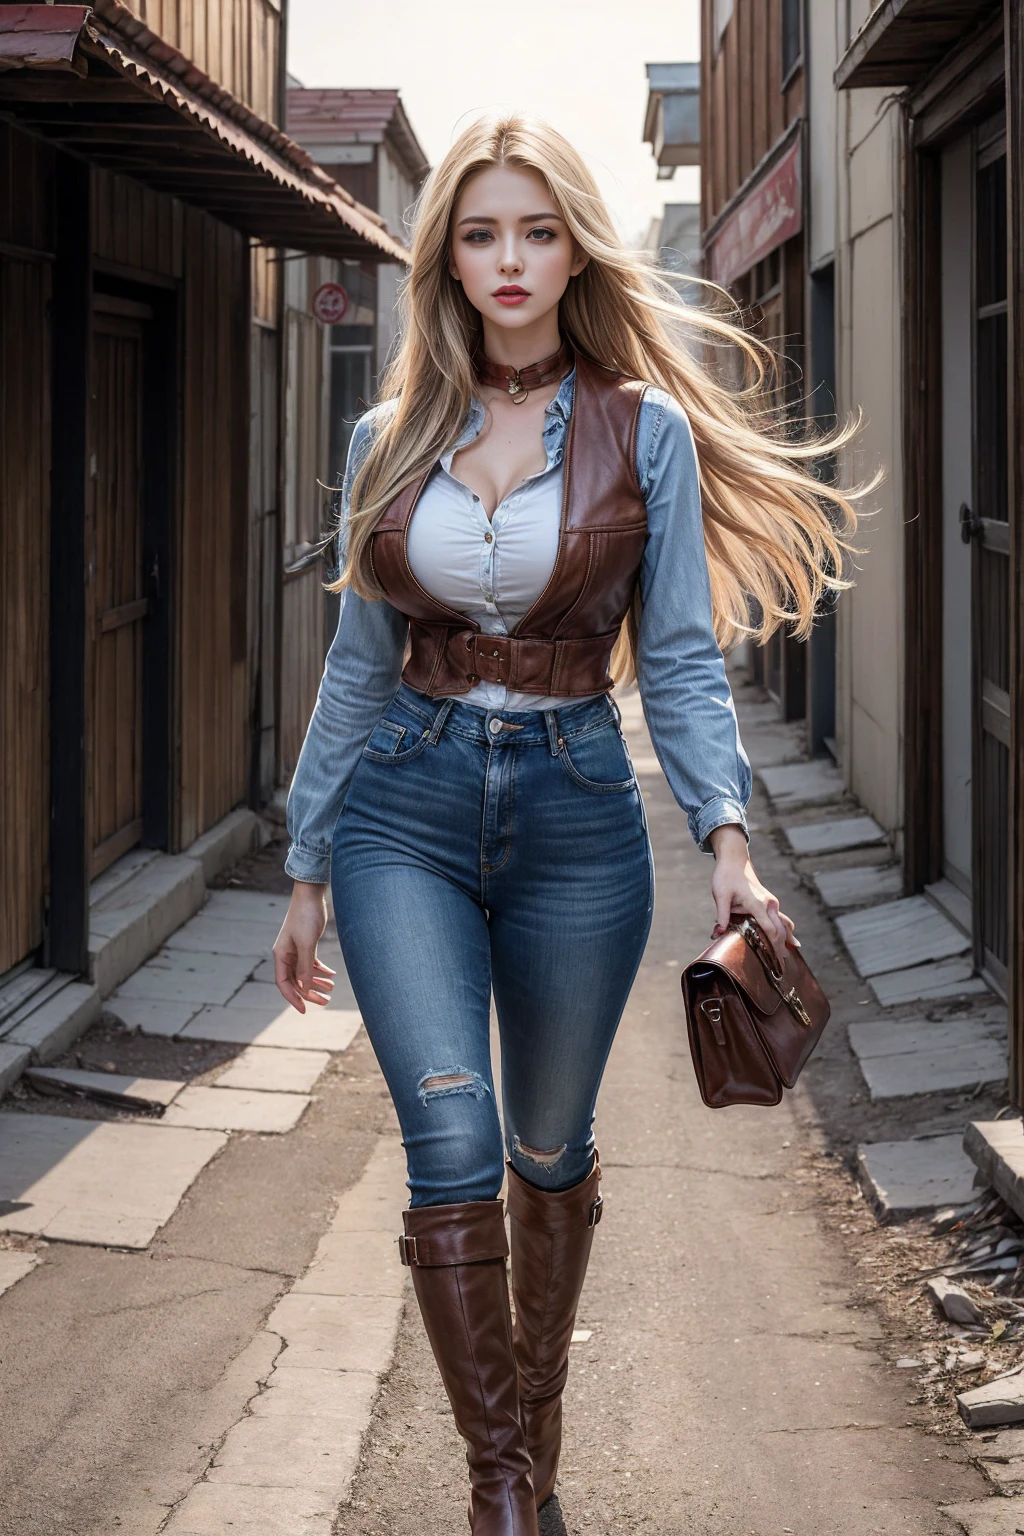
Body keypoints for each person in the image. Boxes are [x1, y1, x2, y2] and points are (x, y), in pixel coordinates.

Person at [273, 114, 858, 1536]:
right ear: (447, 259)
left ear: (574, 245)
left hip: (578, 811)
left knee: (548, 1143)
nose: (510, 260)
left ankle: (534, 1423)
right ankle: (501, 1494)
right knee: (451, 1148)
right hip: (403, 807)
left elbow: (672, 653)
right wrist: (306, 863)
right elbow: (358, 663)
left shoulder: (642, 431)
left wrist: (726, 832)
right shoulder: (385, 433)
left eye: (536, 230)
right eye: (481, 234)